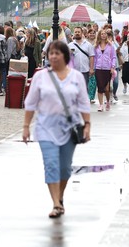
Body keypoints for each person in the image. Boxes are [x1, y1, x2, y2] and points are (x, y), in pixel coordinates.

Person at [22, 40, 91, 219]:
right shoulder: (40, 76)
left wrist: (87, 126)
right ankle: (55, 203)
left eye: (57, 53)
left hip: (69, 128)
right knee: (51, 164)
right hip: (45, 127)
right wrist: (25, 126)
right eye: (51, 53)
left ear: (65, 56)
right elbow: (30, 103)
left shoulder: (76, 77)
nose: (53, 56)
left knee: (65, 168)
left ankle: (60, 196)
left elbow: (83, 103)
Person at [93, 30, 116, 112]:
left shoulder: (110, 46)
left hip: (107, 69)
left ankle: (108, 101)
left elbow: (113, 57)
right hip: (98, 68)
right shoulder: (96, 46)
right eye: (101, 34)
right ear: (99, 35)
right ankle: (101, 105)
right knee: (99, 87)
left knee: (106, 88)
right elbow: (94, 58)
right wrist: (93, 68)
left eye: (104, 34)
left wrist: (112, 67)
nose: (103, 35)